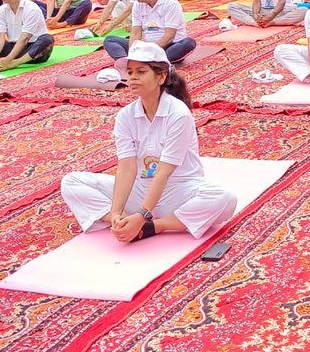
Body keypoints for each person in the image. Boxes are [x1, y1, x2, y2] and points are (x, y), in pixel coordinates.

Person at [59, 41, 237, 243]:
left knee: (225, 198)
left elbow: (163, 172)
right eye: (130, 72)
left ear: (161, 77)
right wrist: (116, 213)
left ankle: (155, 226)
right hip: (141, 187)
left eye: (141, 72)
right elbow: (126, 168)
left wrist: (143, 214)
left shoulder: (178, 114)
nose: (133, 78)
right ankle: (124, 222)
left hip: (177, 190)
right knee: (71, 182)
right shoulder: (125, 116)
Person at [103, 0, 195, 64]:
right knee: (110, 40)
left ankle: (152, 61)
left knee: (189, 43)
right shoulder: (137, 4)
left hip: (167, 46)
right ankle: (131, 62)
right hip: (146, 47)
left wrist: (149, 51)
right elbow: (136, 33)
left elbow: (169, 36)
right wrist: (132, 53)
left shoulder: (170, 3)